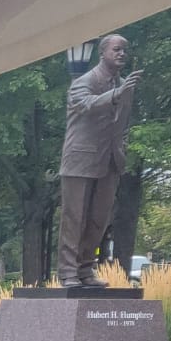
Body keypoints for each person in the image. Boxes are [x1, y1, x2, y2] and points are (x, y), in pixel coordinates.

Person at [57, 34, 142, 287]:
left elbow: (122, 123)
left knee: (99, 219)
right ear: (103, 53)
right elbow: (85, 105)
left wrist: (122, 149)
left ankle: (85, 269)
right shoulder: (84, 82)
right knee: (74, 218)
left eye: (125, 50)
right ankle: (67, 272)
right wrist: (116, 94)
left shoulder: (124, 85)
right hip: (80, 161)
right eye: (117, 49)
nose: (122, 54)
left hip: (110, 161)